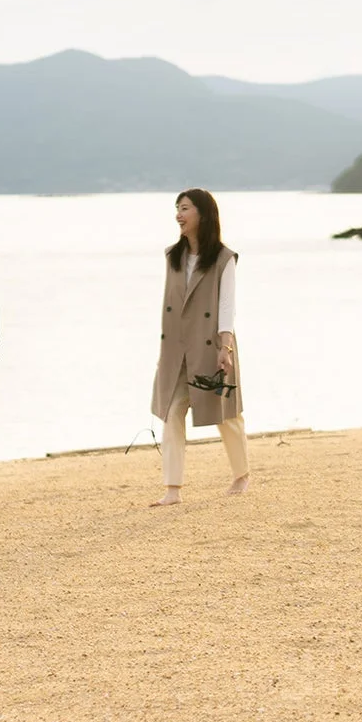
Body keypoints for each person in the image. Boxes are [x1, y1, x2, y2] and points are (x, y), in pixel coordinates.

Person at [150, 188, 248, 505]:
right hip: (177, 350)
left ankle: (241, 474)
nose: (179, 215)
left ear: (203, 214)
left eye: (185, 208)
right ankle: (172, 488)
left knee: (226, 414)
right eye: (177, 208)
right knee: (172, 412)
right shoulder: (172, 256)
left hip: (211, 346)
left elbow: (227, 306)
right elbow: (170, 304)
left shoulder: (223, 258)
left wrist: (225, 345)